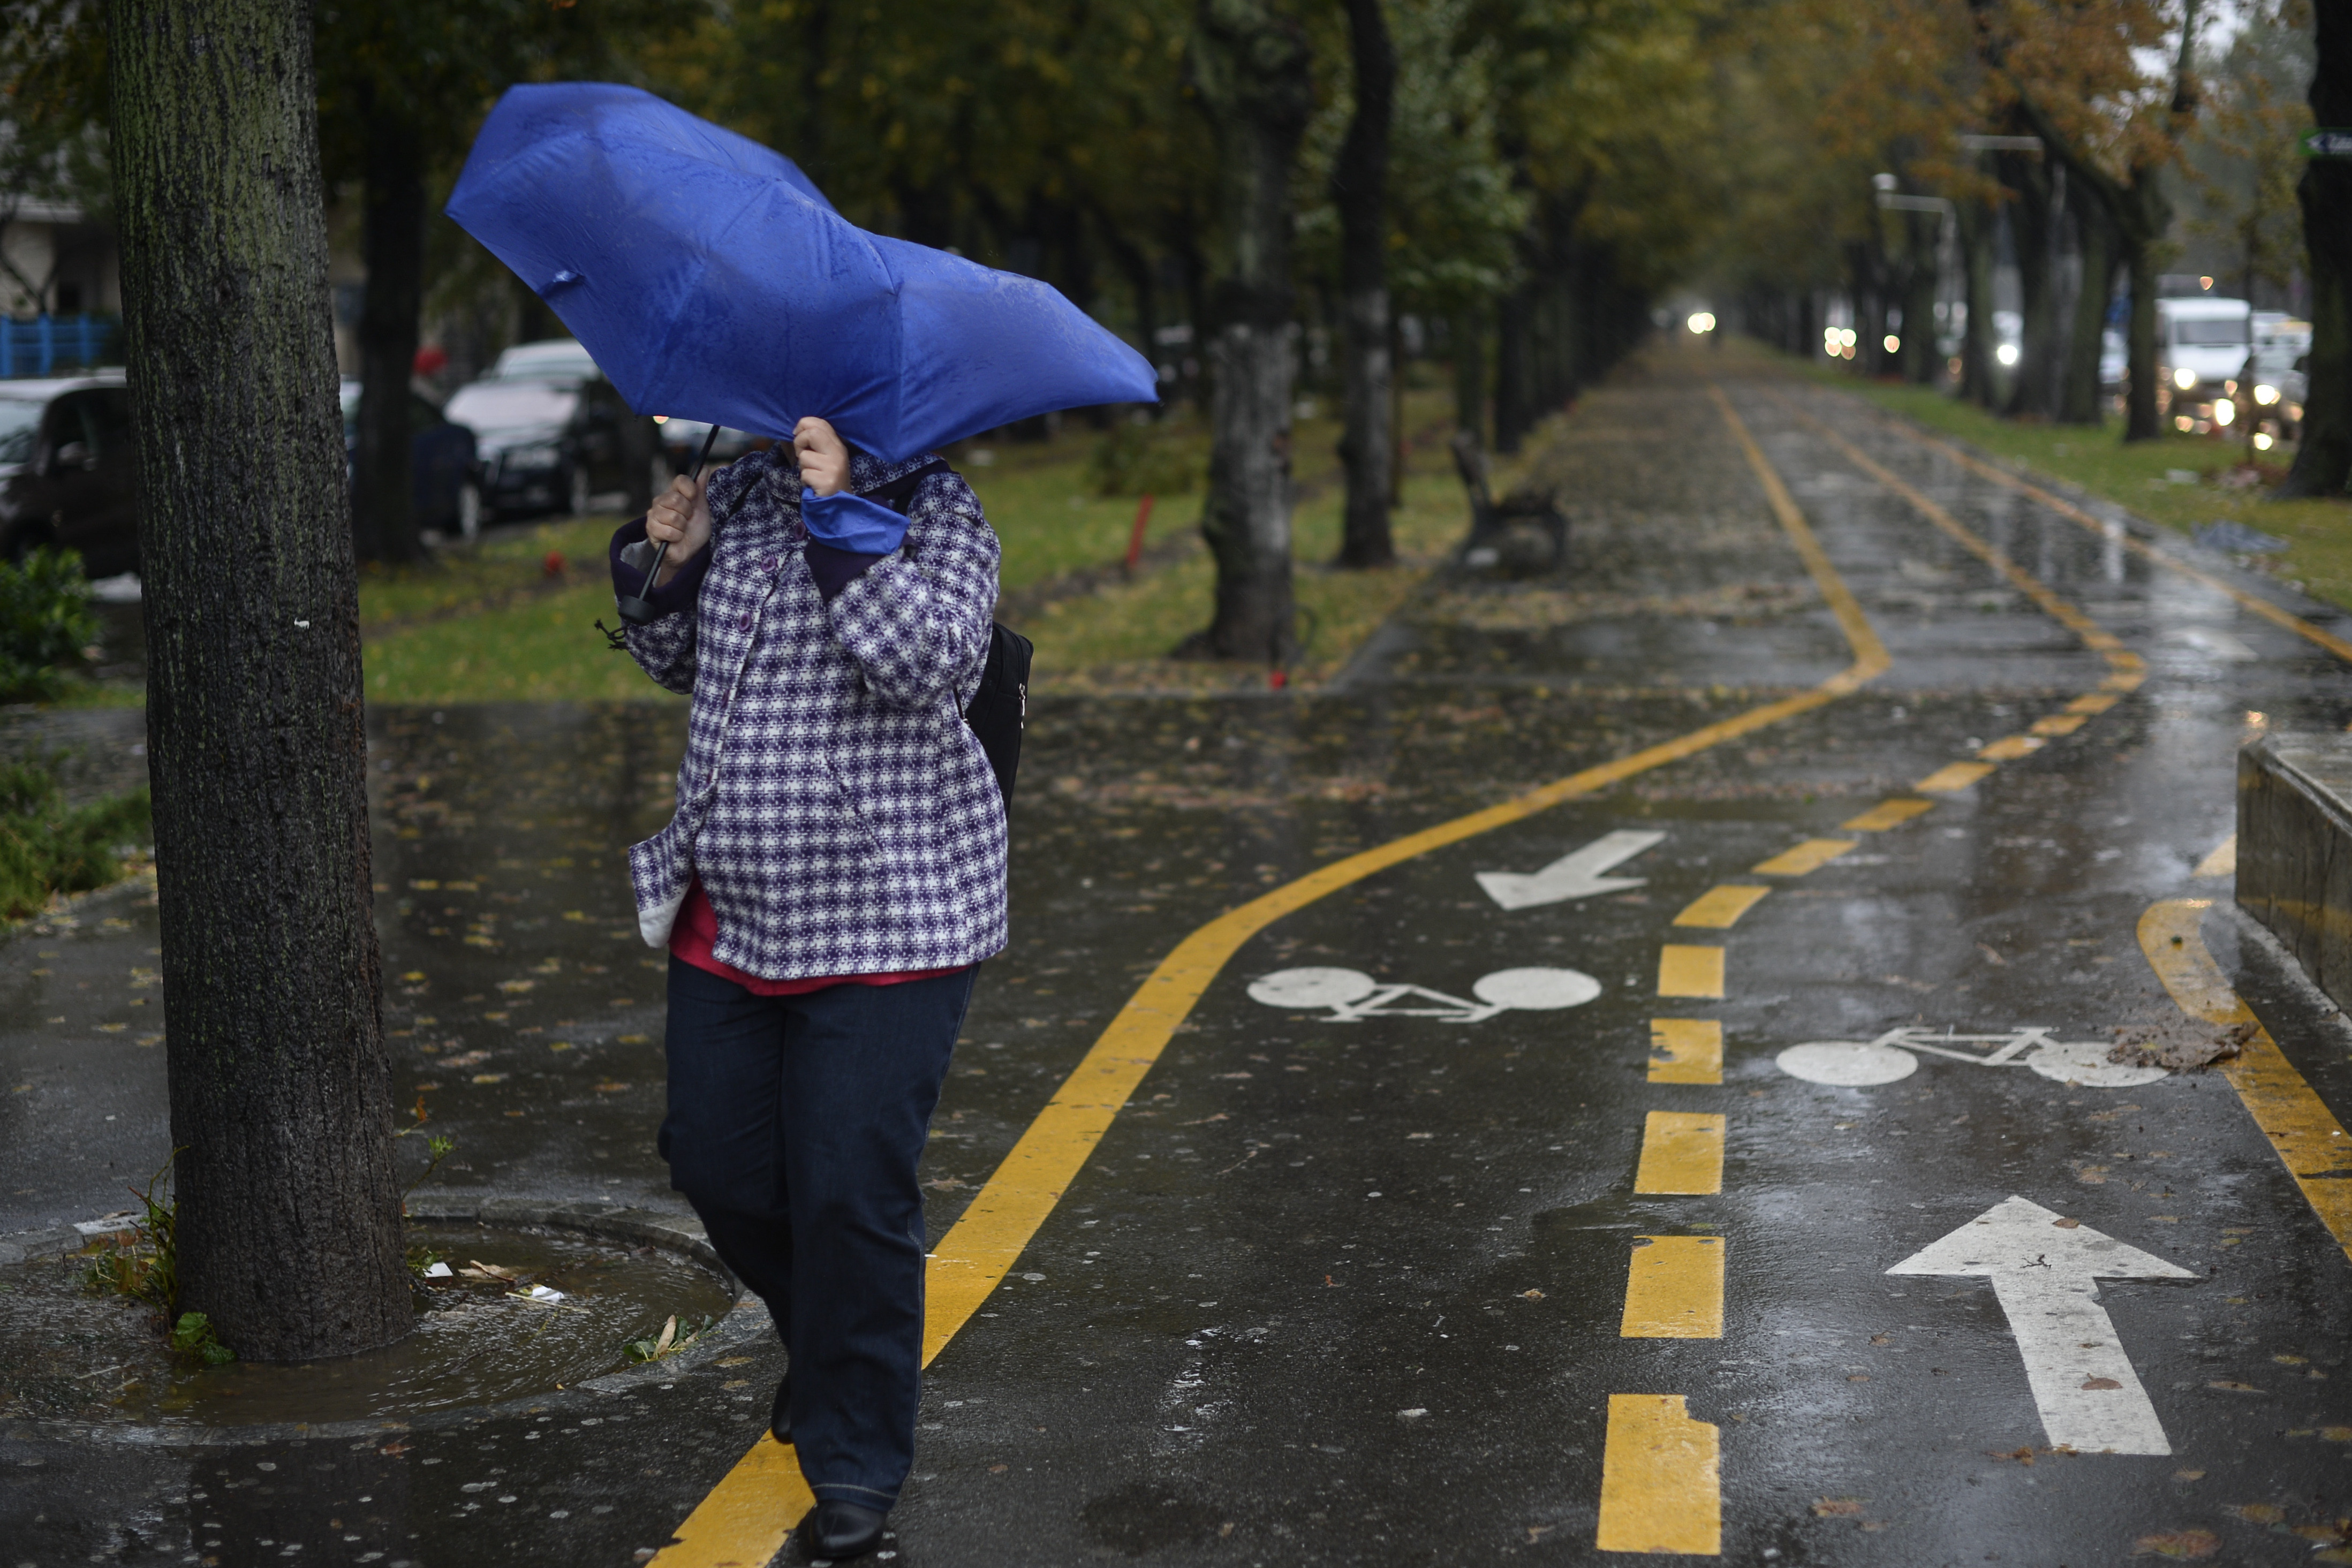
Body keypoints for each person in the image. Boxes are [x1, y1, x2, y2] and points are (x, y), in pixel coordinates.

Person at [608, 415, 1005, 1560]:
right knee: (716, 1166)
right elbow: (675, 663)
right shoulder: (734, 496)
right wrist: (666, 565)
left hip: (893, 912)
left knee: (847, 1196)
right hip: (730, 905)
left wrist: (845, 527)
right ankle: (831, 1356)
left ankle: (855, 1469)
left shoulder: (941, 510)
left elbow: (932, 664)